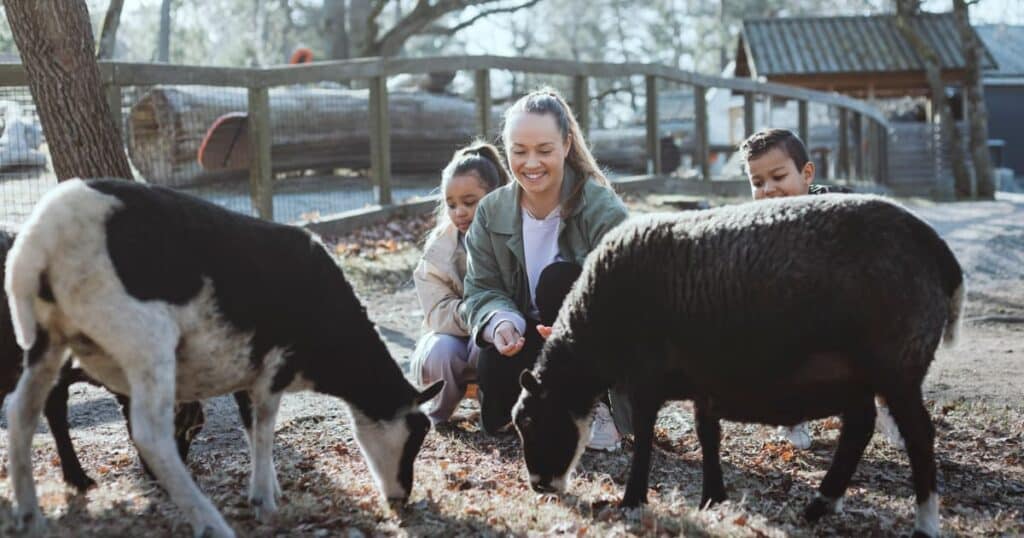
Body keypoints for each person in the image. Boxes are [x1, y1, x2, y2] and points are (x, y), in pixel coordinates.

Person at [461, 88, 629, 450]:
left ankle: (594, 405)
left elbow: (629, 290)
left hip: (591, 341)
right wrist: (500, 321)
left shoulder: (601, 207)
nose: (531, 163)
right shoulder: (492, 211)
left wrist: (583, 329)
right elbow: (480, 288)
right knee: (495, 421)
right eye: (519, 151)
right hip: (530, 333)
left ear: (566, 146)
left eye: (544, 150)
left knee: (559, 280)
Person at [740, 128, 903, 450]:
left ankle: (889, 408)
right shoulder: (758, 224)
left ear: (806, 173)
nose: (769, 190)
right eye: (758, 184)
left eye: (778, 176)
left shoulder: (839, 207)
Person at [410, 141, 509, 426]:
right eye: (451, 204)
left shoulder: (514, 237)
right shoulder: (439, 249)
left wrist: (491, 324)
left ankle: (496, 412)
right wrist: (478, 317)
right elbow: (438, 311)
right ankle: (438, 413)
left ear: (496, 197)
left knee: (489, 345)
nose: (459, 212)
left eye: (469, 202)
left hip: (497, 332)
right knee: (442, 350)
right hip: (452, 333)